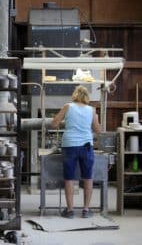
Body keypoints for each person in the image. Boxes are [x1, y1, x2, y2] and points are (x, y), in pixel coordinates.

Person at [51, 85, 101, 219]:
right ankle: (85, 210)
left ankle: (70, 211)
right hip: (86, 146)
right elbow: (98, 130)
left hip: (70, 145)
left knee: (69, 178)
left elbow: (54, 124)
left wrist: (65, 121)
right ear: (87, 97)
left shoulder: (68, 106)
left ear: (75, 95)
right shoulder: (91, 110)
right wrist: (95, 117)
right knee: (88, 178)